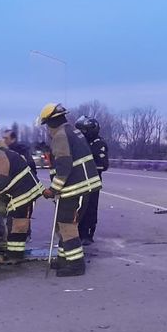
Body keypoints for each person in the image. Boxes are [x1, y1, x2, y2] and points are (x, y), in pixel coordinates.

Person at [38, 103, 102, 277]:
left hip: (74, 190)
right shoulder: (74, 132)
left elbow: (64, 165)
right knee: (62, 225)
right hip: (81, 187)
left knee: (67, 227)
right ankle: (63, 259)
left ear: (50, 122)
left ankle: (75, 265)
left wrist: (53, 189)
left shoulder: (60, 136)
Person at [75, 116, 109, 245]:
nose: (81, 133)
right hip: (80, 181)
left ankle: (88, 234)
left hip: (93, 181)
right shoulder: (81, 142)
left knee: (90, 208)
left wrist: (85, 166)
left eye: (84, 130)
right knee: (79, 207)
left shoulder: (99, 144)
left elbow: (103, 165)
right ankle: (78, 232)